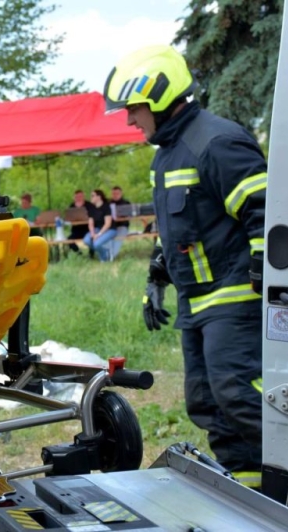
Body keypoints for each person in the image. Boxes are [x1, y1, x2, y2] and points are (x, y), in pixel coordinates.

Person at [104, 45, 266, 487]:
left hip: (235, 296)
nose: (130, 120)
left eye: (133, 109)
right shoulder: (168, 155)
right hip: (196, 301)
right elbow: (178, 225)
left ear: (159, 97)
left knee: (239, 395)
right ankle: (254, 492)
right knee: (208, 402)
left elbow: (264, 208)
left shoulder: (216, 142)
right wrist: (156, 274)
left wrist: (263, 269)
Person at [82, 189, 117, 262]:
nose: (91, 197)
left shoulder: (106, 207)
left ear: (99, 197)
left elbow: (108, 224)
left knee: (96, 244)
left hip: (110, 229)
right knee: (86, 240)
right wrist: (92, 233)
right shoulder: (91, 208)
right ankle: (105, 251)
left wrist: (98, 235)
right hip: (97, 228)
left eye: (93, 196)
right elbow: (91, 223)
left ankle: (104, 258)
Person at [66, 189, 94, 256]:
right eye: (77, 197)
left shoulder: (89, 205)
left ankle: (91, 254)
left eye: (80, 196)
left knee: (92, 238)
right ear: (74, 197)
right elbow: (68, 218)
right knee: (69, 239)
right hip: (76, 230)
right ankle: (78, 253)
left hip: (87, 229)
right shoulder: (72, 206)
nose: (78, 198)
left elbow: (93, 216)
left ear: (83, 196)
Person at [109, 185, 131, 257]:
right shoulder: (108, 203)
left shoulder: (126, 203)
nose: (115, 195)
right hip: (110, 227)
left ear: (121, 193)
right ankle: (107, 254)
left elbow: (130, 215)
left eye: (117, 193)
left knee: (118, 238)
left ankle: (113, 255)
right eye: (113, 194)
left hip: (122, 225)